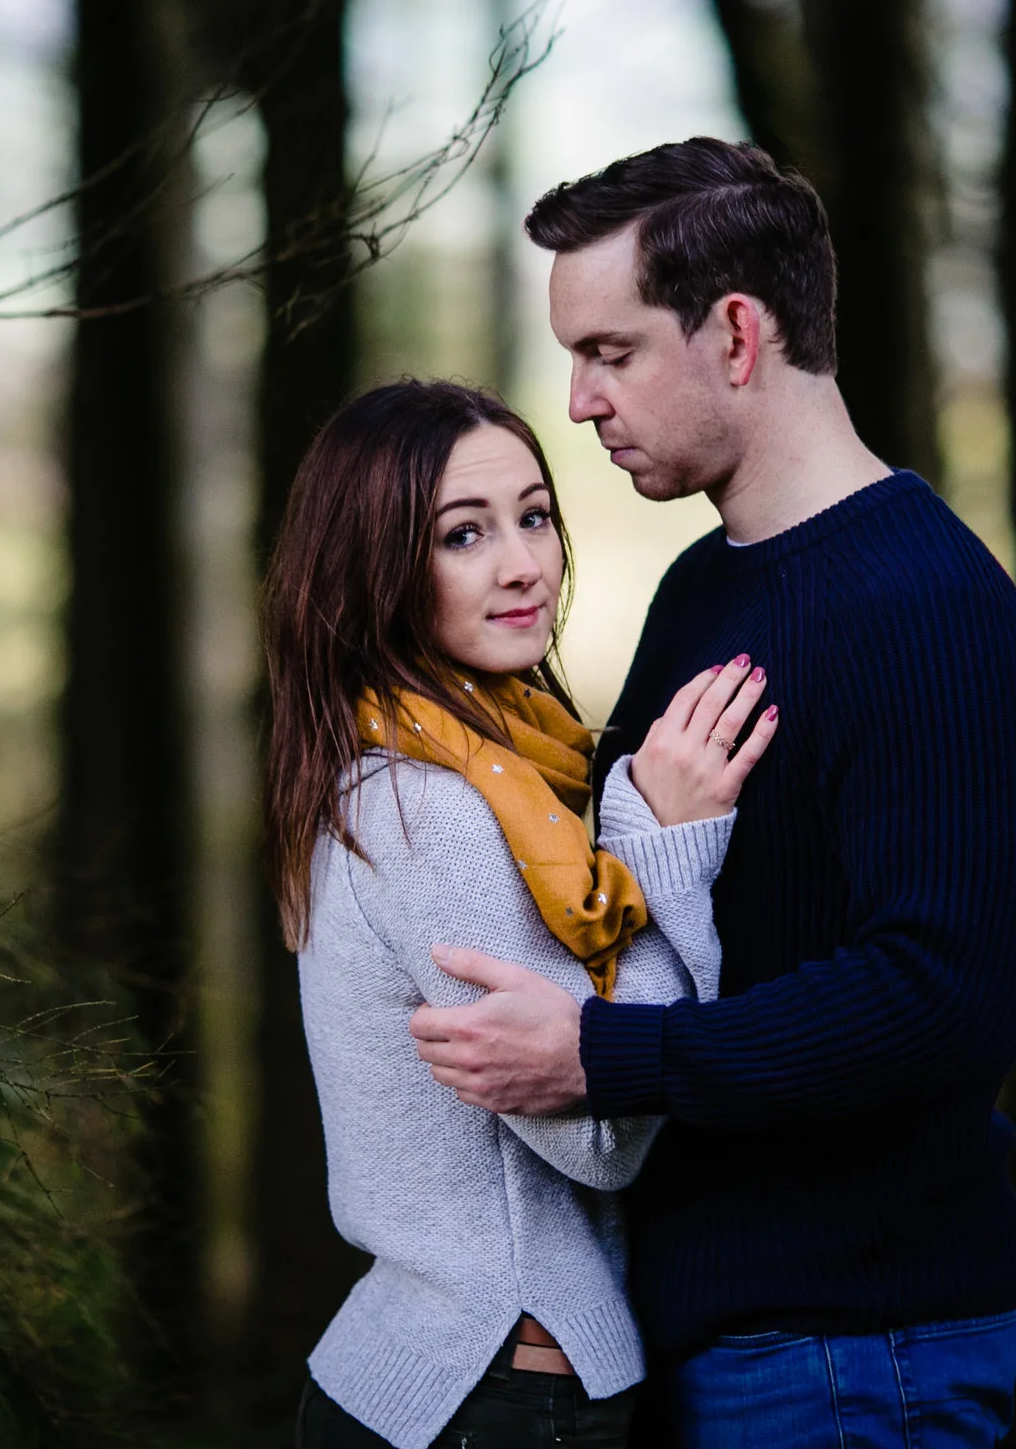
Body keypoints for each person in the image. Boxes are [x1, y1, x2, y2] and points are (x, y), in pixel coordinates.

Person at [404, 140, 1016, 1447]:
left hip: (852, 1348)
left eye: (611, 350)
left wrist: (604, 1059)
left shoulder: (927, 614)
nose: (581, 400)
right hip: (711, 1327)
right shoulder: (709, 583)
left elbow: (941, 1000)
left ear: (739, 333)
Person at [265, 379, 781, 1449]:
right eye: (463, 533)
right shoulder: (434, 808)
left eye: (534, 515)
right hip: (500, 1382)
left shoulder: (434, 764)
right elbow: (595, 1131)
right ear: (376, 567)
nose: (522, 564)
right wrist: (659, 842)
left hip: (438, 1367)